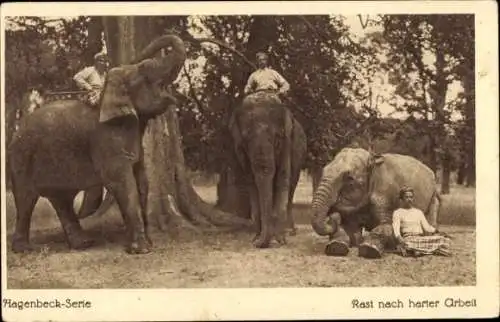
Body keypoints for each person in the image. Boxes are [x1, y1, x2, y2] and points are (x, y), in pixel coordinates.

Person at [392, 186, 452, 257]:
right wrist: (400, 240)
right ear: (402, 199)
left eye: (411, 197)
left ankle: (416, 250)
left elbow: (427, 227)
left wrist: (438, 232)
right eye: (406, 197)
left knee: (443, 239)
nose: (409, 199)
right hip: (408, 239)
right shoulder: (398, 212)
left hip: (420, 238)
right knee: (408, 244)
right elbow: (396, 229)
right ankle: (421, 250)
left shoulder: (418, 212)